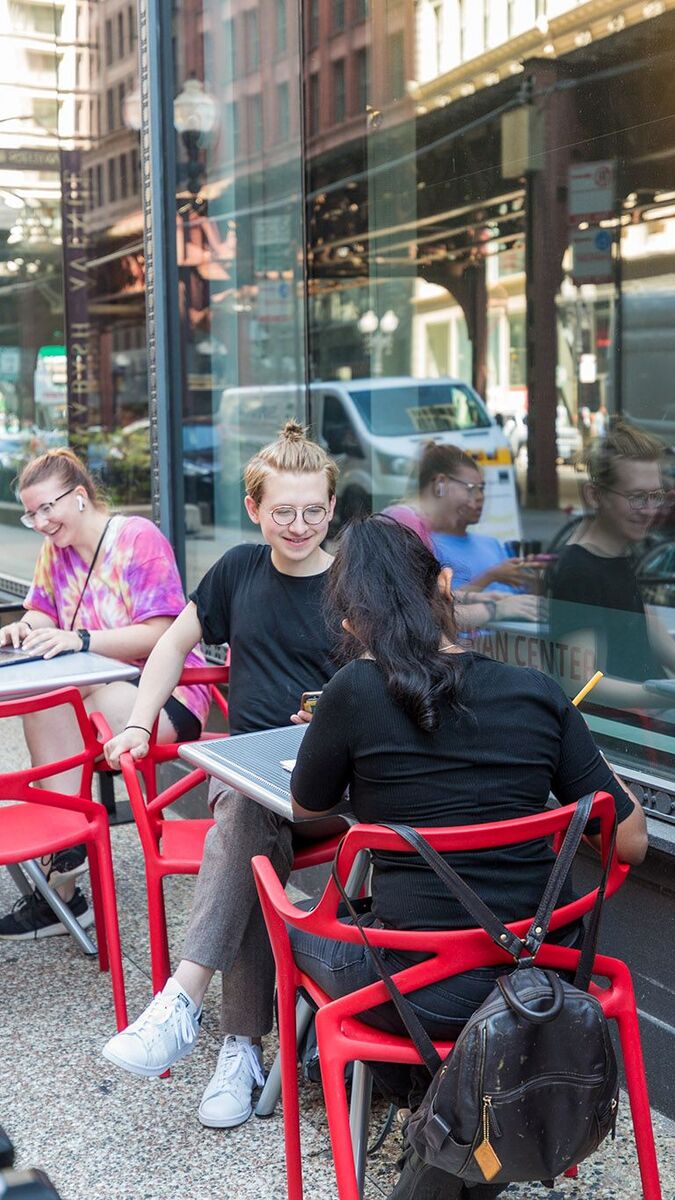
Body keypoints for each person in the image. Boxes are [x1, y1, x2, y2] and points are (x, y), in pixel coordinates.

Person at [287, 516, 647, 1200]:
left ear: (351, 621)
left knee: (298, 919)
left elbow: (308, 807)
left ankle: (415, 1107)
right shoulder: (536, 693)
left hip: (423, 991)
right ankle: (453, 1114)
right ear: (445, 586)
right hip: (547, 973)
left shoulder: (351, 695)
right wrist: (588, 762)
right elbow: (628, 841)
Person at [101, 422, 340, 1130]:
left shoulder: (353, 582)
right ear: (255, 509)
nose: (298, 525)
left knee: (241, 825)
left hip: (335, 784)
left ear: (332, 509)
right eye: (283, 511)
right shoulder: (238, 570)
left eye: (313, 511)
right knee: (246, 821)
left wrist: (336, 720)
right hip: (250, 776)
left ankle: (185, 1002)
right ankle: (238, 1046)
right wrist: (142, 722)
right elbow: (171, 646)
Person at [0, 448, 210, 939]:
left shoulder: (138, 538)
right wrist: (24, 627)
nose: (39, 521)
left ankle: (61, 868)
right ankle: (67, 860)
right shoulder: (56, 549)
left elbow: (163, 631)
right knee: (55, 705)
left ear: (78, 497)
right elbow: (43, 612)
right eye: (31, 514)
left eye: (45, 508)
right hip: (98, 691)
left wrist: (82, 640)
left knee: (67, 707)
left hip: (166, 693)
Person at [548, 421, 675, 715]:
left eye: (655, 496)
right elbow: (579, 683)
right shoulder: (579, 570)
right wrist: (664, 695)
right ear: (595, 496)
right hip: (627, 732)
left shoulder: (619, 553)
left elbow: (653, 633)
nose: (649, 510)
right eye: (636, 497)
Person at [382, 443, 540, 628]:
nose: (479, 497)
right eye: (471, 488)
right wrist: (495, 608)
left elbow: (428, 598)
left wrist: (476, 597)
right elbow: (426, 615)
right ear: (440, 484)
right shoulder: (405, 524)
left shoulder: (414, 525)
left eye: (481, 489)